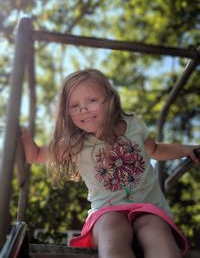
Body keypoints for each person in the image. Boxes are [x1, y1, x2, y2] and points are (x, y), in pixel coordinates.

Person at [21, 68, 200, 258]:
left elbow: (154, 150)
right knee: (111, 232)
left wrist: (183, 150)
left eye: (92, 100)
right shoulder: (75, 143)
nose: (83, 108)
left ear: (110, 99)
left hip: (147, 207)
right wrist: (22, 133)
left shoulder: (133, 126)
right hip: (106, 211)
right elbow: (36, 155)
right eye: (74, 105)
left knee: (156, 232)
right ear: (66, 112)